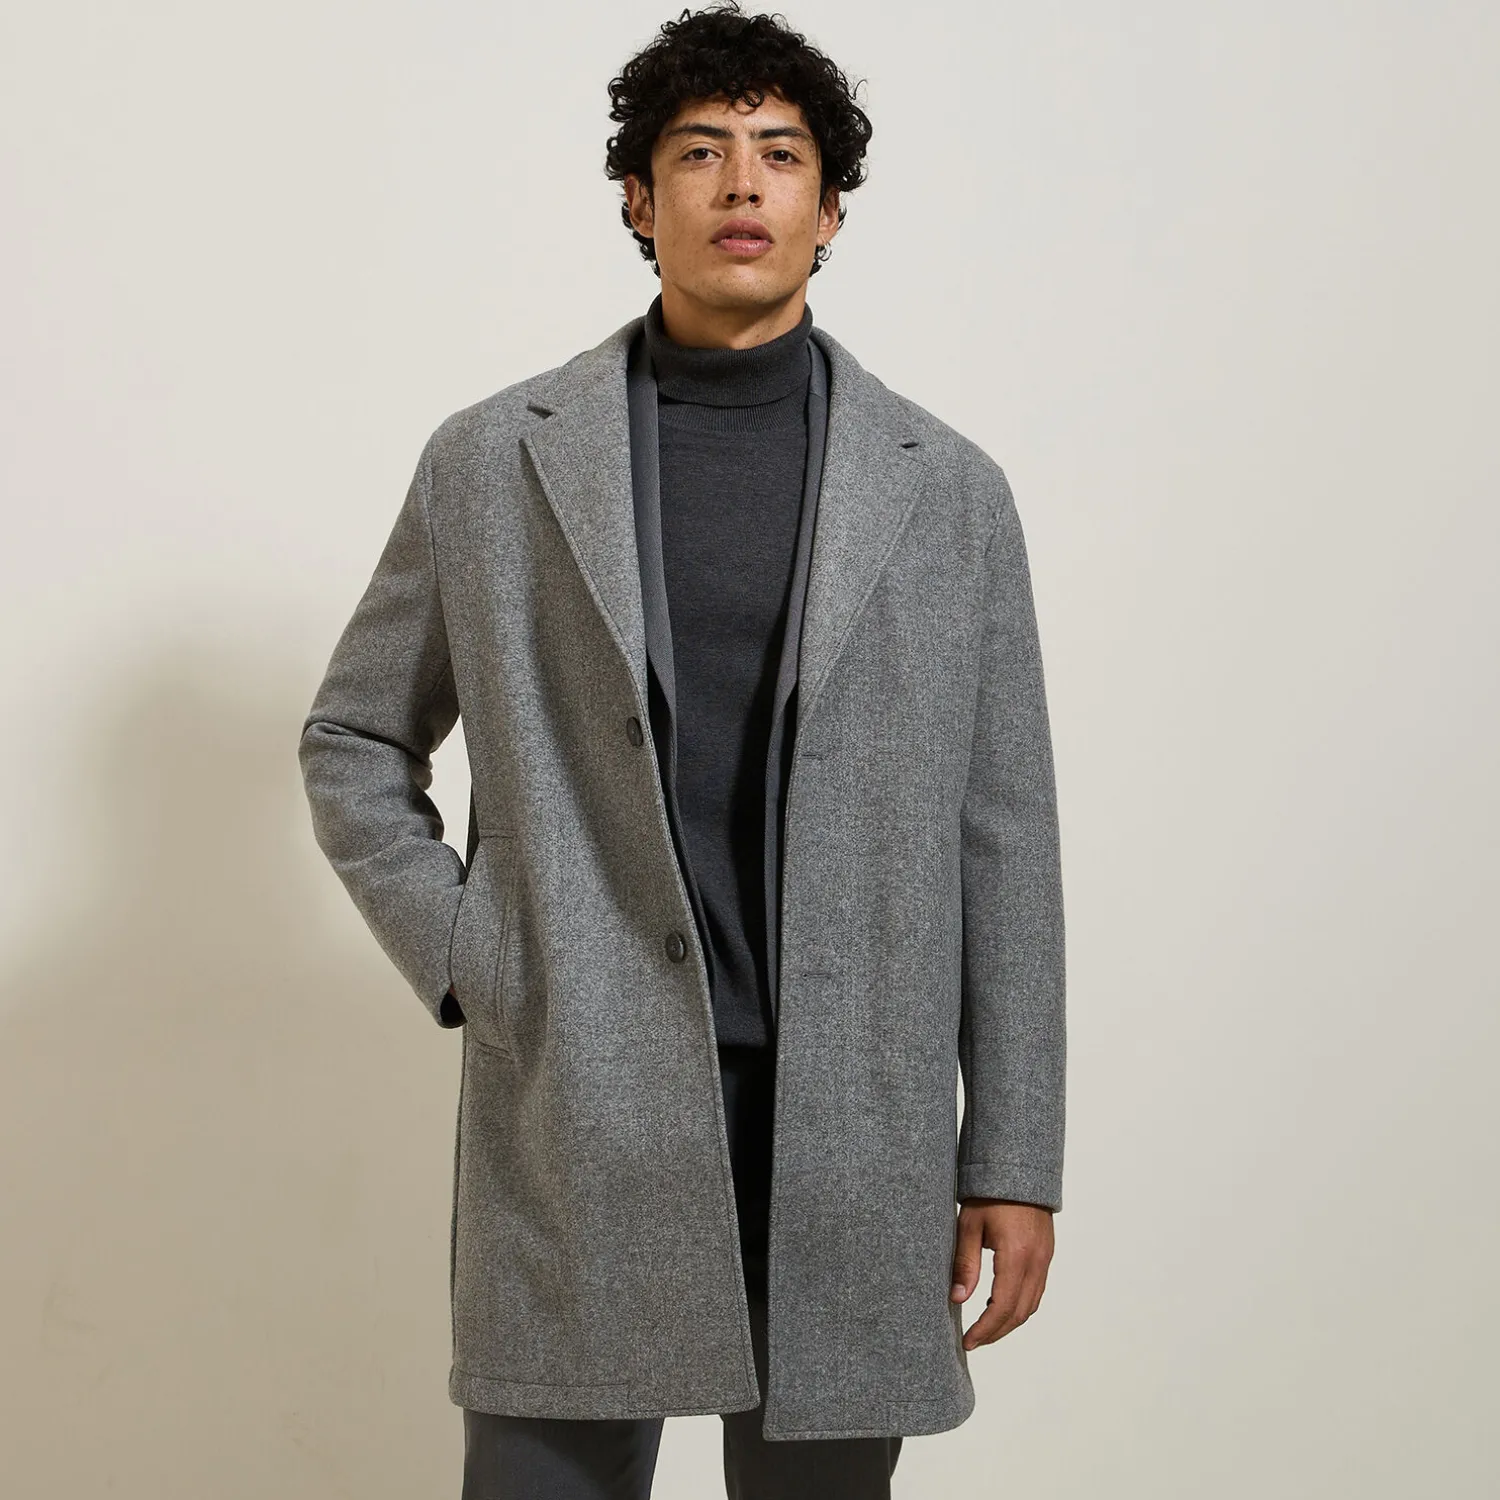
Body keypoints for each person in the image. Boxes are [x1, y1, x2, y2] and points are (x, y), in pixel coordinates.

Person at [298, 4, 1066, 1496]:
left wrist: (1013, 1156)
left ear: (830, 210)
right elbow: (354, 734)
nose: (742, 183)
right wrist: (479, 955)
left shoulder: (950, 492)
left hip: (854, 1121)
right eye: (700, 152)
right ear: (639, 201)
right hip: (583, 1099)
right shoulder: (495, 459)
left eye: (781, 153)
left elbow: (1007, 836)